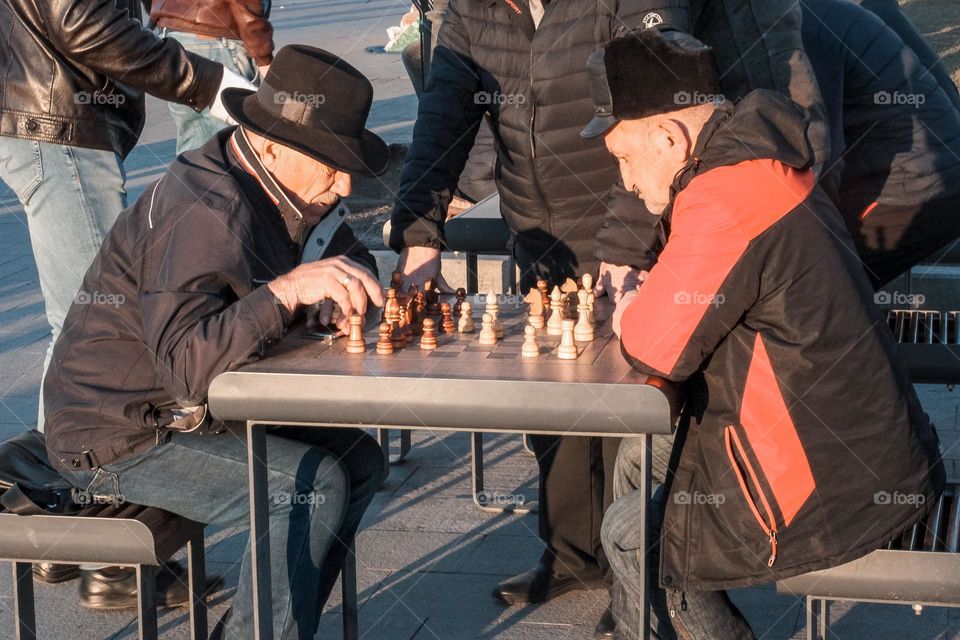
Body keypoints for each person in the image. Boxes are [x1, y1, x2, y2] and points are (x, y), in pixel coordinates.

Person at [387, 1, 826, 637]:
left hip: (633, 219)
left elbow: (653, 111)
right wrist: (419, 236)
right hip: (540, 234)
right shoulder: (471, 10)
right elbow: (441, 121)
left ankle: (641, 581)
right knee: (553, 412)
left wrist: (625, 246)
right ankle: (574, 556)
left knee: (634, 410)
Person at [581, 30, 945, 639]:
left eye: (623, 158)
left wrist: (632, 310)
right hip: (845, 439)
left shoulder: (729, 197)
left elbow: (654, 345)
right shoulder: (748, 161)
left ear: (669, 137)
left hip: (825, 479)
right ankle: (632, 627)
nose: (626, 180)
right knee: (637, 461)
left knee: (632, 536)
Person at [41, 45, 389, 639]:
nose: (346, 182)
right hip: (118, 436)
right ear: (272, 145)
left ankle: (276, 627)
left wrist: (343, 289)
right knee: (306, 487)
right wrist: (284, 293)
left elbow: (349, 261)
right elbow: (185, 369)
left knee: (359, 460)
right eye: (331, 164)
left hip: (188, 414)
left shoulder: (293, 188)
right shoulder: (205, 210)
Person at [0, 0, 251, 598]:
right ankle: (109, 559)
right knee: (103, 335)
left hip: (54, 115)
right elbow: (82, 21)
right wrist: (206, 81)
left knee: (83, 327)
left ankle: (57, 522)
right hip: (58, 119)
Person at [802, 0, 960, 287]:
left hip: (916, 198)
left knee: (804, 281)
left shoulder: (809, 28)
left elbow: (819, 162)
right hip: (927, 179)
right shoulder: (857, 11)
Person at [150, 0, 275, 153]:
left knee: (193, 143)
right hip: (218, 38)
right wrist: (264, 57)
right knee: (231, 147)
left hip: (175, 34)